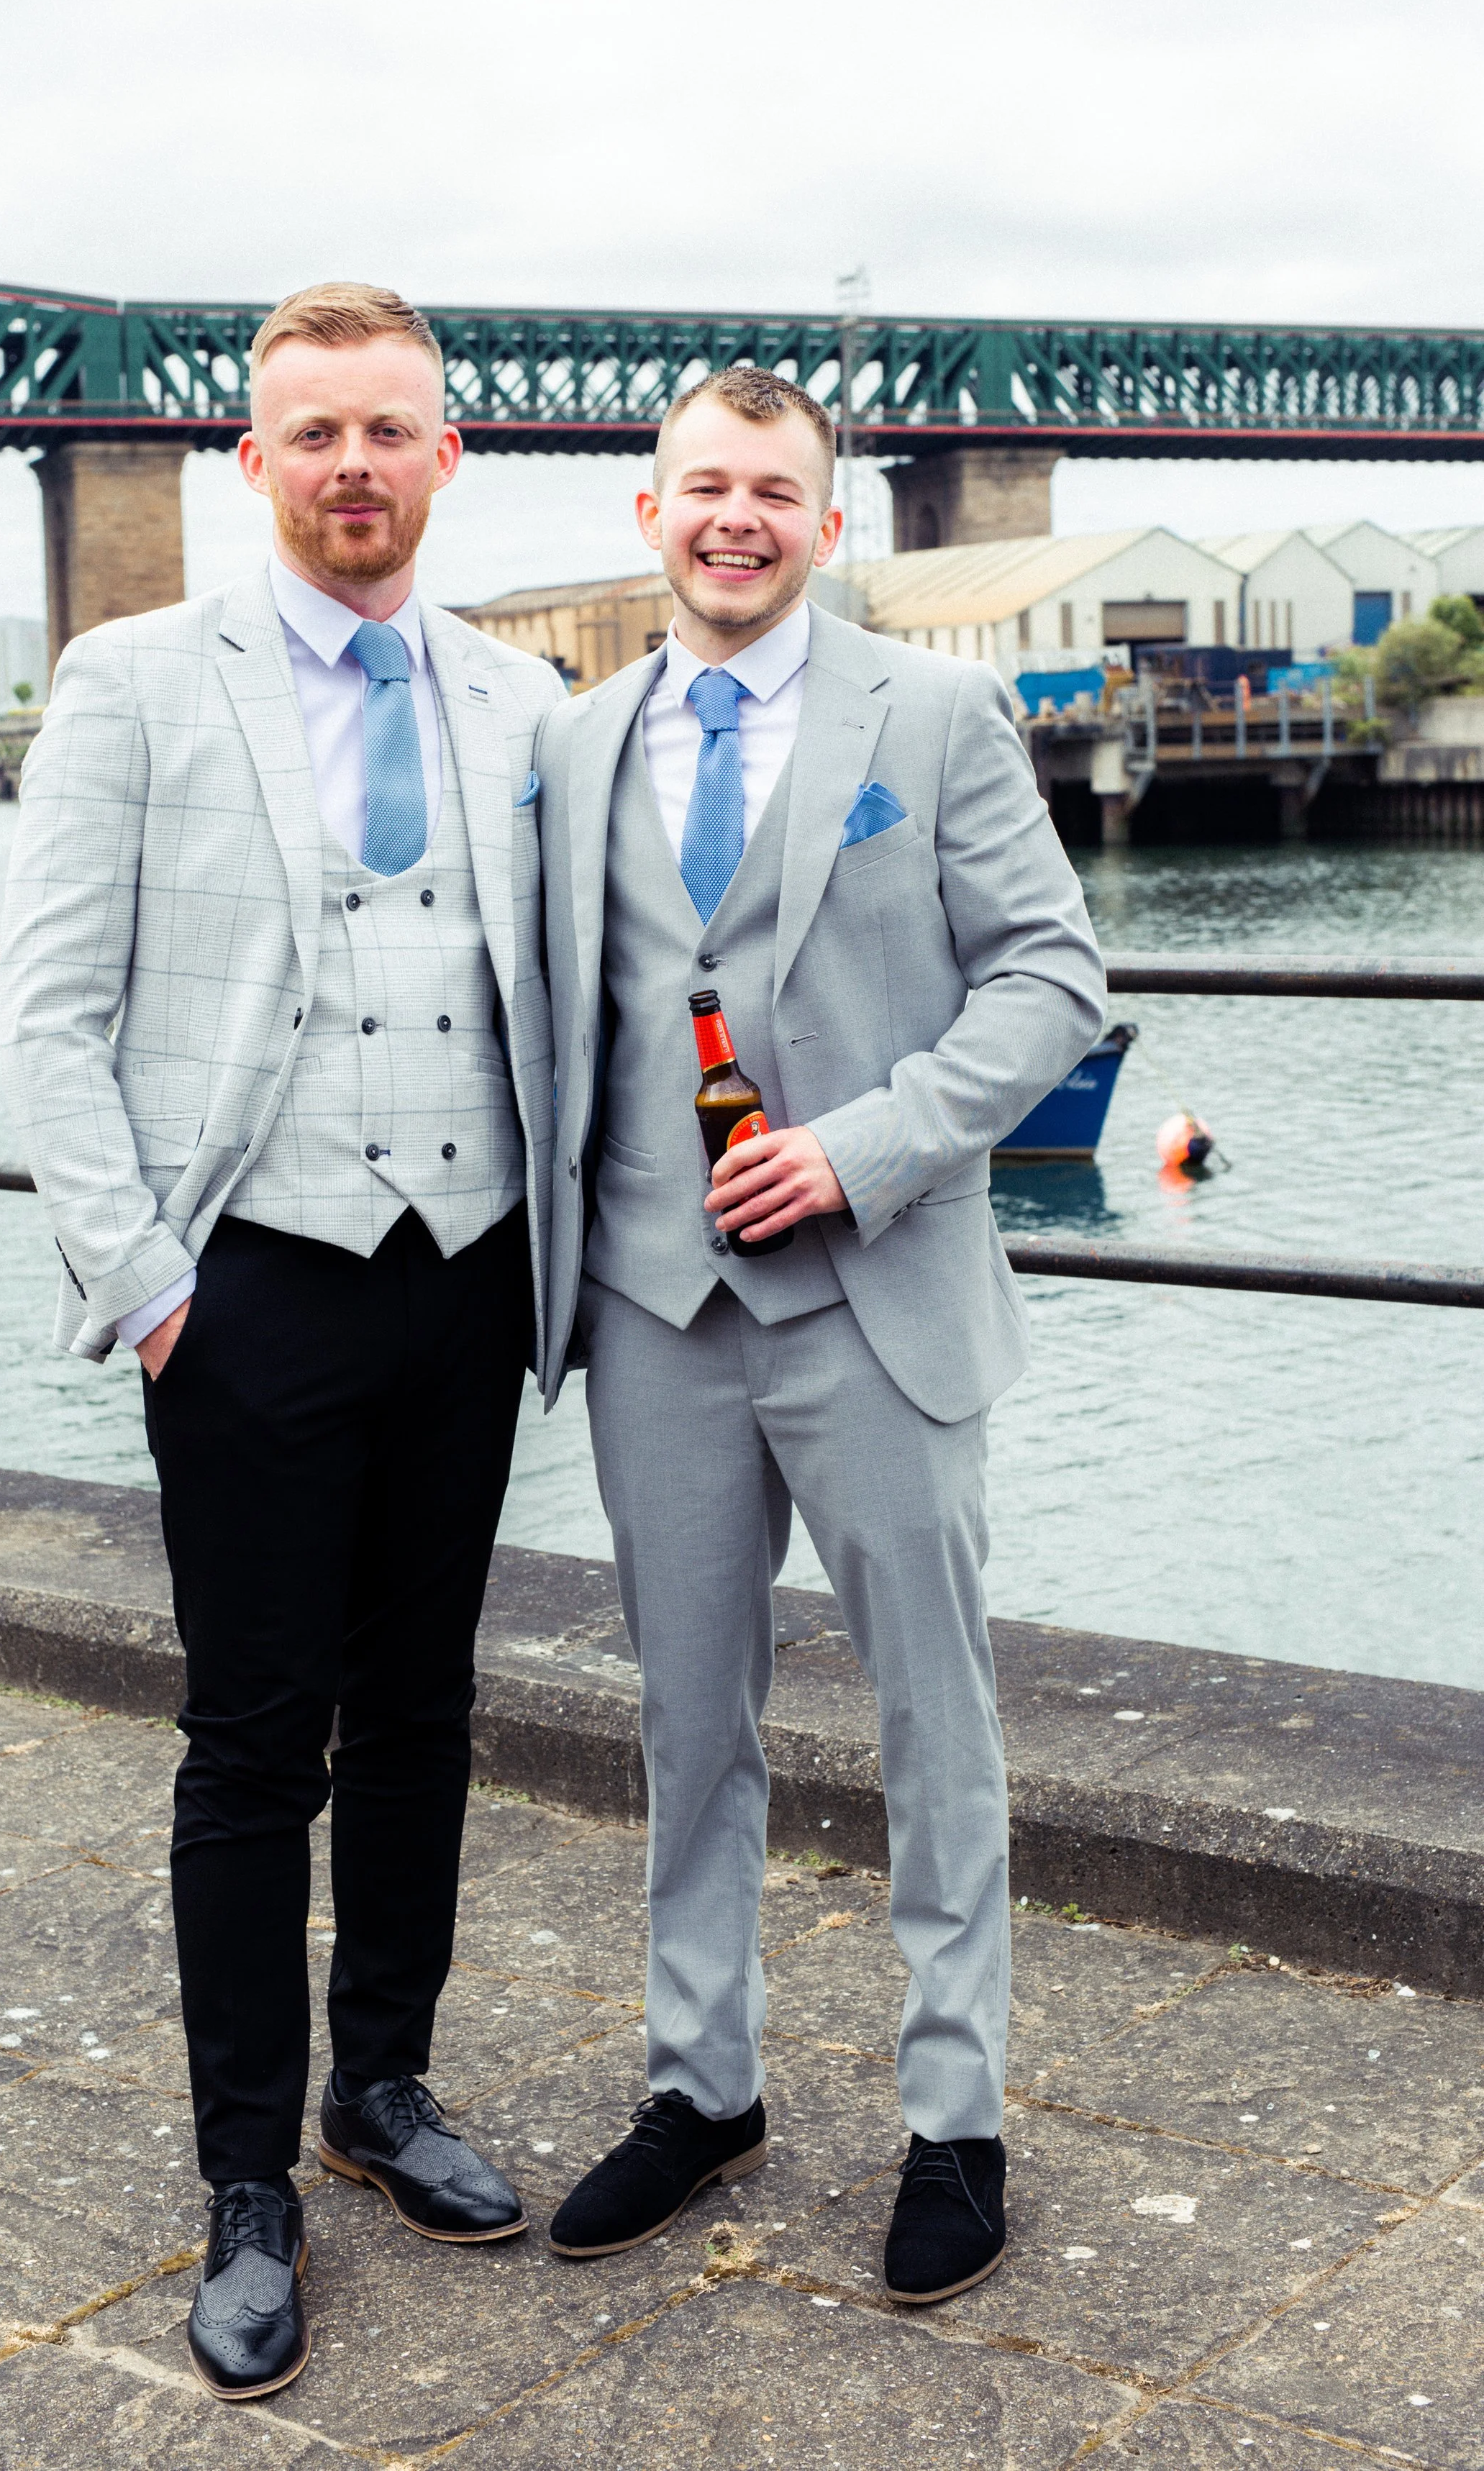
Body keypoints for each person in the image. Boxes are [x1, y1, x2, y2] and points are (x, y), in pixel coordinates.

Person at [0, 285, 564, 2401]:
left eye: (386, 430)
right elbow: (51, 1010)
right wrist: (149, 1281)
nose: (351, 466)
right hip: (250, 1281)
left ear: (445, 456)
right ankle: (247, 2179)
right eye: (312, 432)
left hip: (470, 1270)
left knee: (422, 1710)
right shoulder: (136, 679)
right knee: (253, 1742)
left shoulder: (522, 698)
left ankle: (381, 2087)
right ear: (252, 461)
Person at [535, 366, 1106, 2301]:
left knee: (934, 1722)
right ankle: (702, 2085)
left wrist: (862, 1149)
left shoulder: (931, 716)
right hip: (653, 1306)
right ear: (650, 513)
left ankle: (955, 2118)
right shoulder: (576, 741)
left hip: (879, 1302)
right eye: (703, 485)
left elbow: (1052, 980)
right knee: (685, 1721)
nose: (736, 519)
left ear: (827, 521)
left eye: (774, 492)